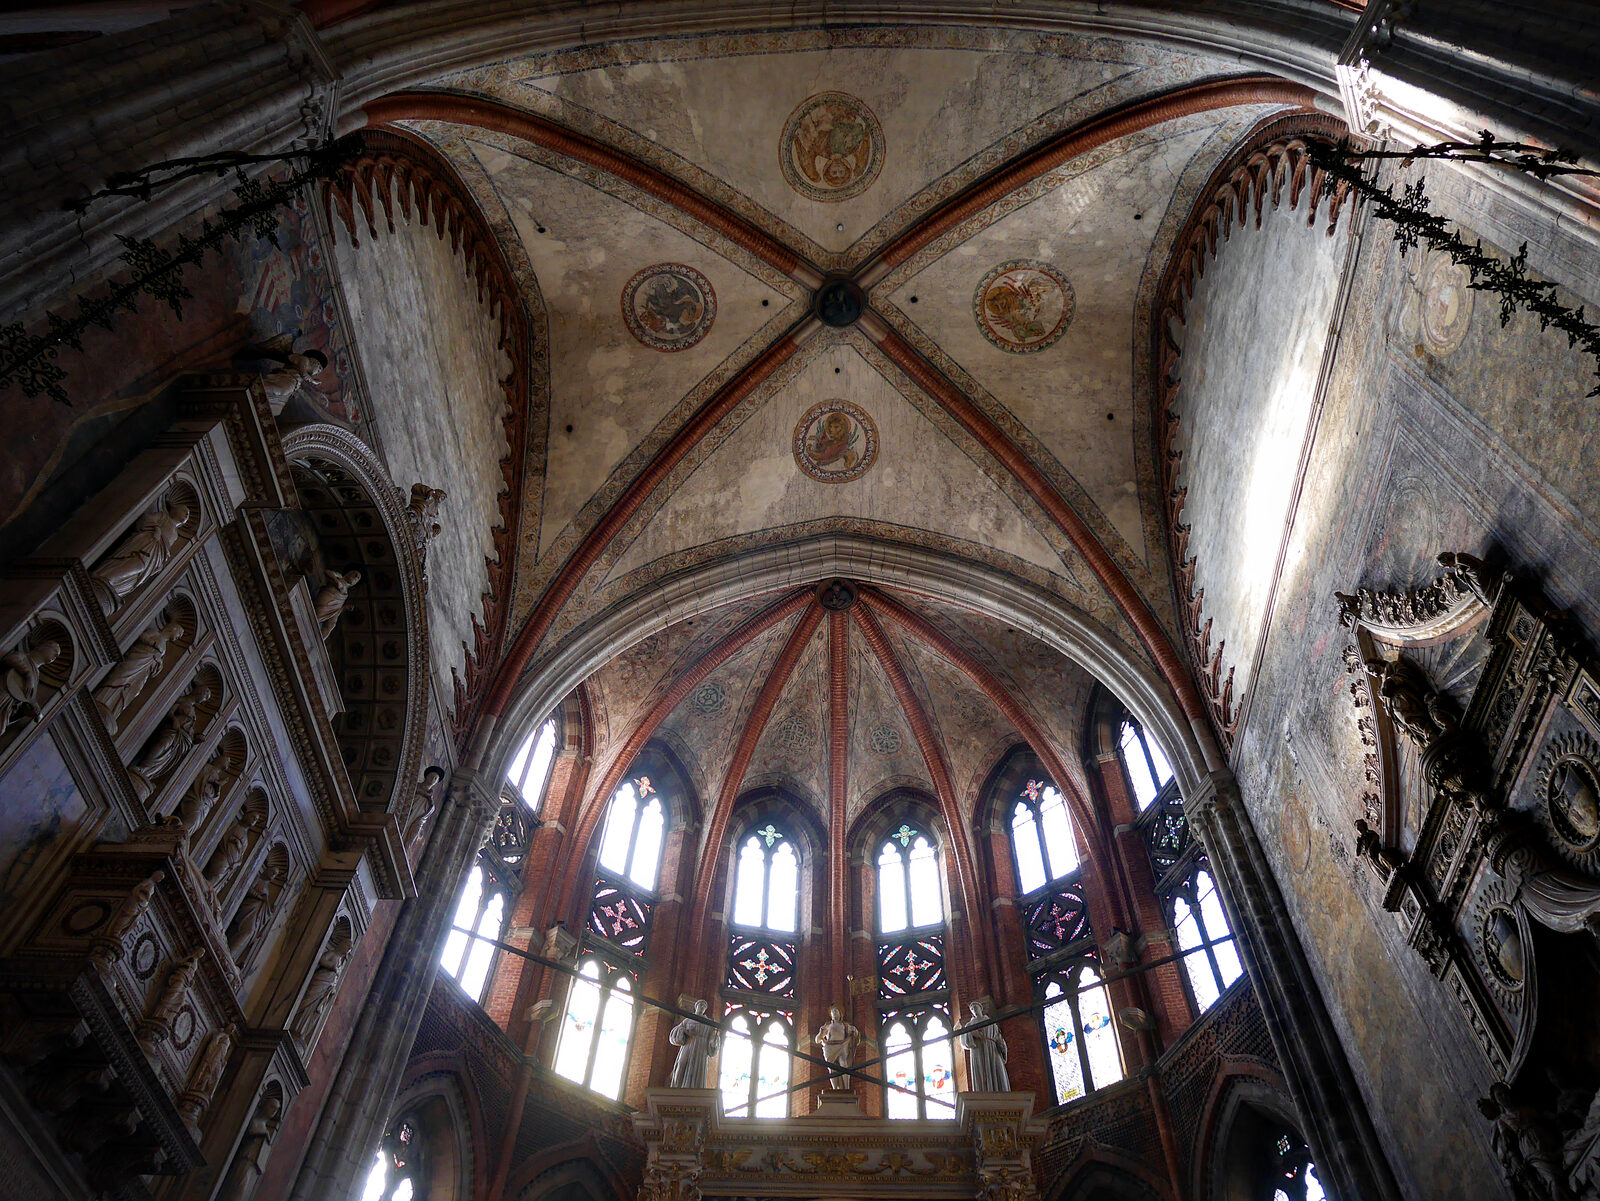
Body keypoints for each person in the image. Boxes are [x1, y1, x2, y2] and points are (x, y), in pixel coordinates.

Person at [959, 999, 1010, 1092]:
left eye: (975, 1008)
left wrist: (1002, 1046)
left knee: (998, 1070)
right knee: (981, 1074)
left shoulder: (991, 1023)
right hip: (978, 1049)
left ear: (980, 1009)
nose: (974, 1010)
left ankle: (1001, 1091)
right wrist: (971, 1034)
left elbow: (999, 1037)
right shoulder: (969, 1025)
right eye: (972, 1009)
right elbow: (964, 1041)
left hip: (992, 1047)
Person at [668, 998, 720, 1088]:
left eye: (704, 1006)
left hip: (701, 1047)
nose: (702, 1007)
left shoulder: (708, 1022)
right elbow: (676, 1031)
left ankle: (696, 1088)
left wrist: (714, 1041)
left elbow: (713, 1038)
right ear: (696, 1007)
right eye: (700, 1005)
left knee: (698, 1069)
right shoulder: (687, 1020)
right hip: (689, 1044)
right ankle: (677, 1087)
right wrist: (684, 1030)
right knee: (681, 1063)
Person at [812, 1004, 862, 1090]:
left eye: (836, 1012)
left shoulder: (845, 1026)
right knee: (832, 1068)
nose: (835, 1014)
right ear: (831, 1015)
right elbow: (817, 1040)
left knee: (844, 1064)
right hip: (830, 1048)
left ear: (840, 1014)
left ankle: (846, 1088)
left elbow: (856, 1034)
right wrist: (820, 1033)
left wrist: (855, 1031)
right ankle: (835, 1088)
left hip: (842, 1046)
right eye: (833, 1012)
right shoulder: (827, 1026)